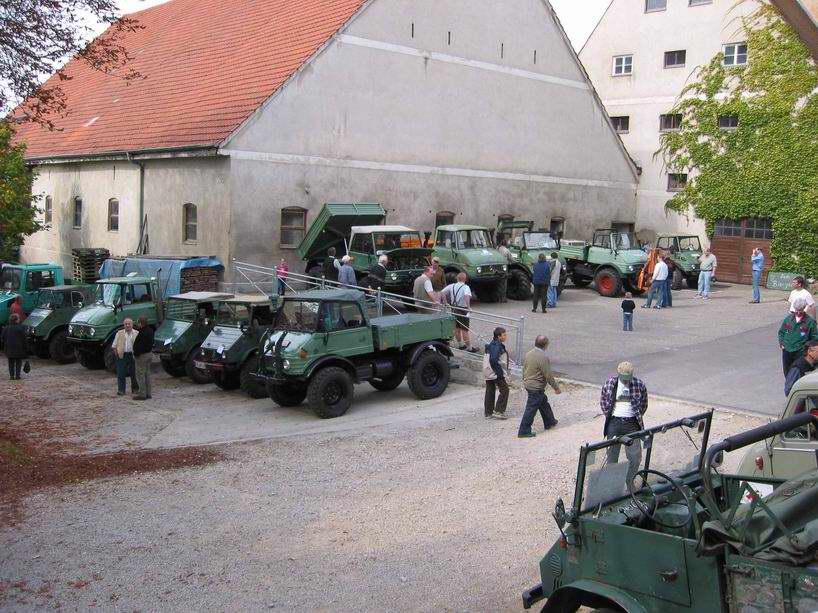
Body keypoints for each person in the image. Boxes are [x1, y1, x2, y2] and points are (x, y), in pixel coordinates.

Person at [600, 362, 649, 484]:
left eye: (628, 378)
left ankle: (629, 481)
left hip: (632, 424)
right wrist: (610, 415)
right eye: (624, 378)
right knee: (612, 457)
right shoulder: (609, 383)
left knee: (635, 458)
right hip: (614, 423)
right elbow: (603, 402)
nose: (626, 380)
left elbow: (644, 404)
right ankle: (613, 484)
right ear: (618, 373)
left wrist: (635, 415)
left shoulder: (639, 384)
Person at [518, 336, 562, 438]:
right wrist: (556, 388)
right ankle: (524, 431)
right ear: (546, 345)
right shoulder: (543, 357)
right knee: (531, 409)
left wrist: (525, 379)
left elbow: (524, 369)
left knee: (543, 402)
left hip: (529, 383)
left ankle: (550, 421)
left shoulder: (529, 354)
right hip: (536, 387)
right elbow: (548, 375)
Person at [778, 298, 818, 376]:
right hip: (787, 350)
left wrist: (805, 347)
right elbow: (781, 332)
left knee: (797, 372)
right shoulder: (788, 319)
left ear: (804, 308)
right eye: (796, 310)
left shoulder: (810, 322)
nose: (798, 312)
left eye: (800, 310)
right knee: (787, 372)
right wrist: (782, 343)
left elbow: (815, 338)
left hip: (800, 352)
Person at [440, 272, 477, 353]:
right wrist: (468, 307)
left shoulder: (452, 286)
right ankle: (469, 347)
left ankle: (460, 344)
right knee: (464, 329)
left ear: (457, 278)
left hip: (454, 309)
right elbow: (466, 296)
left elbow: (442, 292)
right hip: (462, 309)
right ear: (465, 279)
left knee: (457, 328)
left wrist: (445, 302)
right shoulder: (466, 287)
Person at [484, 327, 509, 419]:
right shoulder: (497, 346)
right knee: (505, 390)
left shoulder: (492, 344)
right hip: (495, 372)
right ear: (499, 336)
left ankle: (488, 412)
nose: (506, 337)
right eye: (504, 335)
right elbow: (494, 360)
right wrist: (500, 372)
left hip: (488, 371)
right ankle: (499, 411)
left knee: (490, 390)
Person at [113, 318, 139, 396]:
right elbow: (114, 346)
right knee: (121, 373)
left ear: (132, 324)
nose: (127, 325)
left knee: (134, 373)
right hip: (122, 355)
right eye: (126, 324)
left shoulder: (137, 333)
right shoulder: (119, 333)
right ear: (124, 325)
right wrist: (117, 354)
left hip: (133, 355)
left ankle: (135, 389)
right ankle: (121, 390)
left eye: (129, 324)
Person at [132, 316, 154, 400]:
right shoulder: (150, 330)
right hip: (149, 354)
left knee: (140, 375)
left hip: (142, 356)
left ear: (140, 322)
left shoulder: (142, 332)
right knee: (147, 374)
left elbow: (140, 345)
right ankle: (148, 393)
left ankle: (142, 394)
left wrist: (136, 354)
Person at [2, 313, 28, 380]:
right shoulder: (21, 327)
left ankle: (11, 376)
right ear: (16, 320)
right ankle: (17, 376)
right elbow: (24, 338)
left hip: (9, 347)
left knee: (10, 362)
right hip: (19, 348)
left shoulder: (6, 328)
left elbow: (2, 338)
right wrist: (26, 348)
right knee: (18, 362)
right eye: (18, 318)